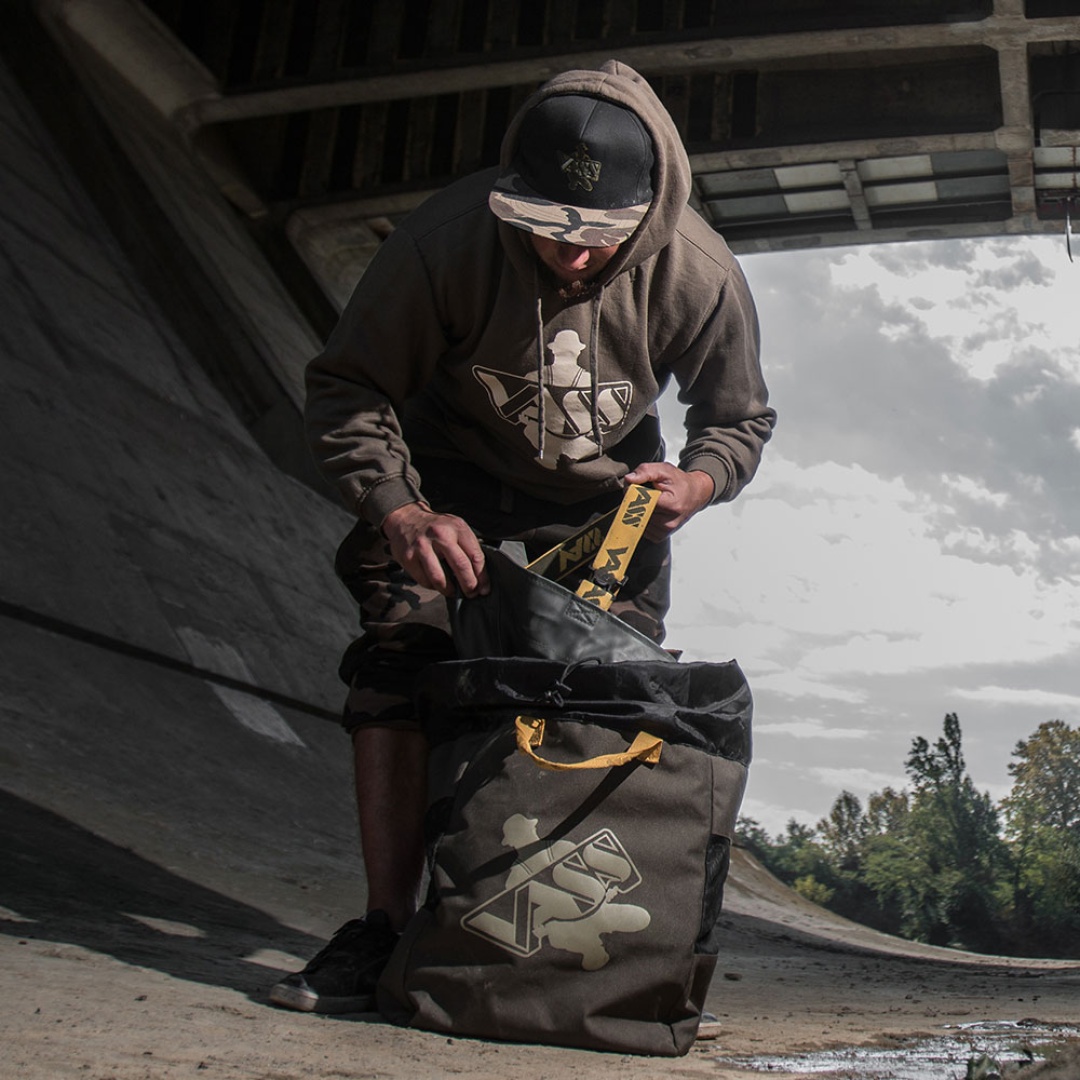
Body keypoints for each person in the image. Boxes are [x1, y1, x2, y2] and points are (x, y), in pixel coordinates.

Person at [270, 59, 776, 1014]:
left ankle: (531, 939)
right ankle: (382, 926)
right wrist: (400, 507)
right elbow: (347, 389)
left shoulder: (700, 274)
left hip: (603, 503)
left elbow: (739, 418)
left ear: (651, 209)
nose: (572, 258)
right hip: (442, 476)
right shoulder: (444, 243)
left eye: (599, 238)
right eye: (547, 230)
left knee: (600, 701)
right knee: (400, 658)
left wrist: (699, 481)